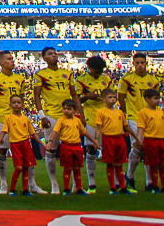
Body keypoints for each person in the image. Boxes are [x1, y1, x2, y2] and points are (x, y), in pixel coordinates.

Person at [0, 50, 38, 195]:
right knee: (1, 151)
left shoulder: (20, 79)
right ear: (1, 62)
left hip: (19, 121)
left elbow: (20, 98)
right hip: (2, 119)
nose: (12, 61)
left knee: (27, 153)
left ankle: (31, 184)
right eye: (9, 59)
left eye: (12, 59)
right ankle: (3, 184)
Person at [32, 46, 76, 195]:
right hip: (51, 115)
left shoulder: (67, 73)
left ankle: (75, 184)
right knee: (51, 150)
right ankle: (54, 184)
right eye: (49, 54)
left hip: (69, 115)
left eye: (54, 53)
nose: (53, 56)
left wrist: (80, 113)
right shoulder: (40, 75)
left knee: (72, 149)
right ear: (43, 58)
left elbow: (74, 95)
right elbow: (36, 96)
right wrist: (42, 115)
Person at [119, 52, 163, 192]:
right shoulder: (126, 79)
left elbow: (155, 99)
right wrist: (125, 114)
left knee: (148, 148)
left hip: (149, 117)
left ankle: (148, 181)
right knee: (139, 146)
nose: (140, 65)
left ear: (146, 63)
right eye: (137, 63)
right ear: (133, 64)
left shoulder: (153, 81)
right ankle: (131, 176)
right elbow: (121, 97)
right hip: (134, 117)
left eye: (142, 62)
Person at [73, 54, 113, 192]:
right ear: (89, 68)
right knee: (91, 149)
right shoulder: (81, 80)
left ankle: (115, 183)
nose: (99, 73)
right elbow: (75, 101)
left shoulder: (107, 80)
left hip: (107, 117)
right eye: (96, 70)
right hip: (90, 117)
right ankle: (91, 182)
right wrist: (87, 97)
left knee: (111, 149)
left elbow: (113, 98)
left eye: (101, 70)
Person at [0, 94, 36, 196]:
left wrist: (44, 144)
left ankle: (25, 189)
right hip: (15, 144)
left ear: (22, 105)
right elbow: (3, 132)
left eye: (18, 102)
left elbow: (33, 134)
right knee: (19, 167)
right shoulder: (8, 118)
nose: (16, 104)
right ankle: (12, 189)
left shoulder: (26, 119)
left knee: (26, 167)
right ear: (10, 105)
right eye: (14, 103)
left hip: (25, 144)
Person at [133, 89, 164, 193]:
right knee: (153, 164)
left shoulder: (160, 111)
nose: (158, 101)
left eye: (158, 98)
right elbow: (141, 127)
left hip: (163, 140)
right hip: (151, 140)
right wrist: (139, 139)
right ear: (147, 99)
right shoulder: (143, 112)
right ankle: (155, 186)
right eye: (155, 98)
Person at [47, 99, 88, 196]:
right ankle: (66, 189)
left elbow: (84, 132)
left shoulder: (77, 120)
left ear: (74, 110)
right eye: (64, 108)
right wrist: (50, 142)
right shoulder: (61, 120)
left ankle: (78, 188)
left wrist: (95, 140)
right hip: (66, 146)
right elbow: (54, 131)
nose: (66, 111)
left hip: (77, 146)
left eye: (69, 109)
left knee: (77, 168)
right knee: (68, 168)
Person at [93, 88, 130, 194]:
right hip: (108, 139)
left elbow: (126, 127)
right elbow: (98, 128)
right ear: (103, 99)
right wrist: (96, 140)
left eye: (114, 97)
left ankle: (122, 187)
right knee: (110, 163)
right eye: (110, 97)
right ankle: (112, 187)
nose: (113, 99)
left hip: (119, 138)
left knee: (119, 164)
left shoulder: (119, 112)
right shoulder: (101, 112)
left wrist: (136, 137)